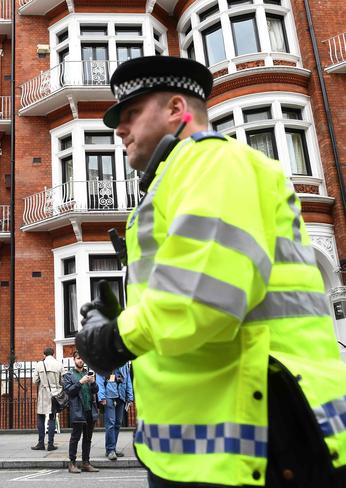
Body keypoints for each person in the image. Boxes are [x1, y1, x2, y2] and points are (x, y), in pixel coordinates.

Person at [76, 55, 346, 487]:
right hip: (208, 450)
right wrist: (121, 317)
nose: (118, 129)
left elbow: (202, 298)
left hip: (259, 442)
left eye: (130, 114)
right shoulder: (176, 178)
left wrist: (113, 339)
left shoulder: (214, 162)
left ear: (176, 110)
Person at [63, 351, 99, 474]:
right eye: (78, 358)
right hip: (78, 410)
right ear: (74, 360)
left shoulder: (87, 373)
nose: (81, 361)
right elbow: (69, 391)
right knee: (75, 438)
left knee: (87, 439)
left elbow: (95, 391)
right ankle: (72, 463)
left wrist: (93, 382)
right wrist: (80, 382)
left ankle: (86, 463)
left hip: (89, 409)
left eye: (82, 358)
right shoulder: (69, 375)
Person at [96, 363, 133, 460]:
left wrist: (130, 396)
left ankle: (113, 448)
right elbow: (100, 380)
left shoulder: (124, 363)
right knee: (111, 423)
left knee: (117, 423)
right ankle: (110, 450)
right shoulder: (105, 361)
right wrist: (102, 397)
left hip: (121, 395)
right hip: (109, 395)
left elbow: (127, 379)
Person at [31, 347, 62, 451]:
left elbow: (35, 380)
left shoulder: (39, 364)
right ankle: (50, 444)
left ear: (44, 355)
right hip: (55, 394)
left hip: (43, 393)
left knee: (41, 416)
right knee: (52, 417)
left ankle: (40, 443)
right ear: (53, 354)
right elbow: (63, 380)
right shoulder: (59, 364)